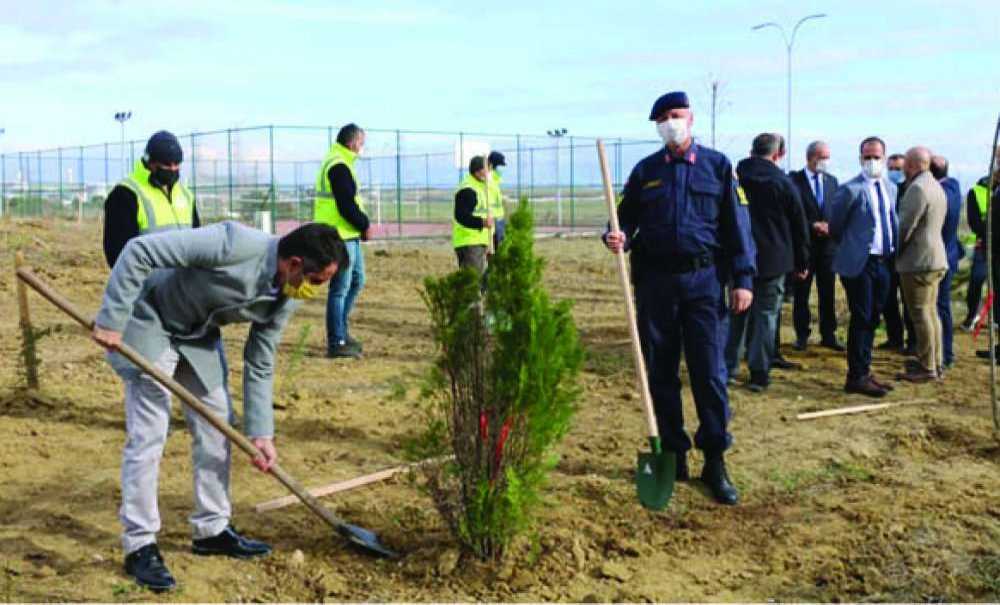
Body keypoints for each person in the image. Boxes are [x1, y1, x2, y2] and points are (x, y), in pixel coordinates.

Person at [91, 221, 348, 592]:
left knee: (217, 425)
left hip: (197, 337)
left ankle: (211, 529)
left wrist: (261, 433)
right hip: (151, 321)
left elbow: (261, 358)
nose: (314, 290)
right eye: (317, 280)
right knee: (150, 433)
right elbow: (138, 251)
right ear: (293, 263)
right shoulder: (233, 243)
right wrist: (112, 318)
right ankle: (140, 544)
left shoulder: (287, 292)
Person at [604, 91, 755, 505]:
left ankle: (715, 459)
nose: (671, 122)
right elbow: (623, 218)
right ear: (657, 125)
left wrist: (743, 278)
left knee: (709, 374)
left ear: (690, 118)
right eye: (664, 118)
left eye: (677, 115)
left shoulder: (718, 167)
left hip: (704, 283)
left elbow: (737, 226)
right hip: (656, 285)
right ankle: (673, 452)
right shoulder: (646, 171)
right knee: (661, 373)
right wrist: (615, 236)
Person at [725, 133, 809, 392]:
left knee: (737, 312)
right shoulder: (783, 182)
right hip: (775, 258)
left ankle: (727, 367)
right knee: (766, 315)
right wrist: (802, 261)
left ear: (752, 151)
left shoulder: (733, 178)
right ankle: (759, 371)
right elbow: (799, 223)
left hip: (738, 256)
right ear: (778, 154)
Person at [828, 137, 899, 397]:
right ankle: (855, 376)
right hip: (860, 263)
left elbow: (892, 220)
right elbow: (835, 227)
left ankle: (865, 370)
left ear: (884, 157)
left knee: (874, 317)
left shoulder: (891, 188)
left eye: (876, 156)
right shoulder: (850, 190)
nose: (872, 161)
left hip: (884, 261)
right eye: (867, 157)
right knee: (862, 317)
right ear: (860, 159)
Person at [314, 123, 370, 359]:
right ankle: (336, 340)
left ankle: (342, 331)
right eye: (361, 142)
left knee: (357, 280)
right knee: (340, 288)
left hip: (349, 235)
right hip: (339, 236)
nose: (362, 147)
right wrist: (364, 224)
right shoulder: (338, 165)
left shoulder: (342, 162)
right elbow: (346, 205)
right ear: (351, 142)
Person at [103, 131, 200, 266]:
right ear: (150, 162)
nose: (172, 169)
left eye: (177, 164)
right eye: (166, 164)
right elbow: (117, 254)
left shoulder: (186, 195)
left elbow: (197, 242)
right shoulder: (125, 194)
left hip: (184, 283)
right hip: (148, 285)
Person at [895, 147, 948, 382]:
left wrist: (893, 252)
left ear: (914, 164)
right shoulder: (935, 185)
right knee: (931, 312)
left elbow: (905, 227)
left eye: (906, 163)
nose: (903, 168)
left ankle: (928, 368)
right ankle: (935, 362)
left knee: (920, 314)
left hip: (918, 261)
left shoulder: (917, 188)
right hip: (935, 258)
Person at [788, 140, 843, 351]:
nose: (825, 161)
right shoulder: (794, 181)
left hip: (828, 248)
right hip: (805, 246)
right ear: (811, 157)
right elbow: (794, 211)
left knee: (827, 291)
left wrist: (831, 226)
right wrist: (812, 226)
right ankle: (802, 335)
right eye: (822, 157)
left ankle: (828, 334)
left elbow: (836, 209)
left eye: (828, 157)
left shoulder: (832, 182)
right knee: (801, 293)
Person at [931, 155, 964, 369]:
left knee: (940, 306)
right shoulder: (954, 186)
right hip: (950, 254)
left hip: (940, 257)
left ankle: (944, 355)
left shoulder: (939, 192)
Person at [880, 153, 915, 353]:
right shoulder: (885, 188)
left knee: (909, 300)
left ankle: (913, 341)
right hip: (889, 253)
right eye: (891, 168)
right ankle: (894, 338)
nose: (894, 172)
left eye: (898, 169)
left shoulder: (911, 190)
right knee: (888, 299)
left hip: (907, 253)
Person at [963, 149, 1000, 331]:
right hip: (985, 246)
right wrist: (989, 235)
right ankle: (972, 316)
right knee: (977, 281)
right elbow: (974, 221)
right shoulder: (977, 190)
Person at [453, 155, 496, 273]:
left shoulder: (482, 187)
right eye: (487, 169)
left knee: (482, 279)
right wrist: (482, 222)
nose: (490, 172)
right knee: (473, 280)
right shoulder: (468, 190)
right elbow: (461, 216)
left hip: (481, 241)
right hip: (469, 242)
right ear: (478, 172)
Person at [487, 150, 507, 249]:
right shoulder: (488, 178)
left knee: (499, 245)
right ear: (493, 165)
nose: (500, 169)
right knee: (494, 246)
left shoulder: (495, 179)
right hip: (491, 217)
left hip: (499, 217)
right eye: (499, 166)